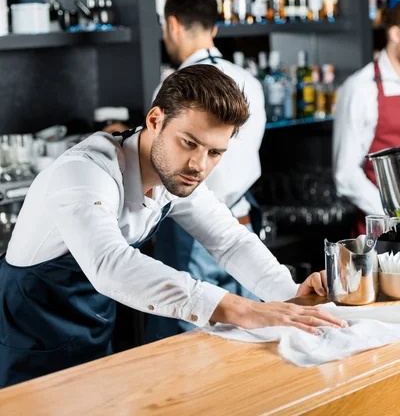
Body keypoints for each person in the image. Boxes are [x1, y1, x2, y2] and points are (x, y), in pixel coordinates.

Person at [0, 66, 345, 389]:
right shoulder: (84, 172)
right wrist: (241, 309)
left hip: (92, 327)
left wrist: (291, 295)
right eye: (189, 143)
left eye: (215, 152)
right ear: (155, 120)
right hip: (30, 335)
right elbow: (109, 264)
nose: (199, 165)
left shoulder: (175, 175)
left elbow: (230, 242)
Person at [147, 0, 266, 342]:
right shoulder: (250, 82)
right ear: (214, 28)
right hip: (242, 221)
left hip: (190, 231)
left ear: (172, 25)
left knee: (190, 341)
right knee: (247, 337)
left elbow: (159, 163)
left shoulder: (172, 86)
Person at [333, 4, 400, 234]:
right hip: (382, 235)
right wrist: (395, 213)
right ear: (395, 33)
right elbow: (346, 174)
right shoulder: (360, 88)